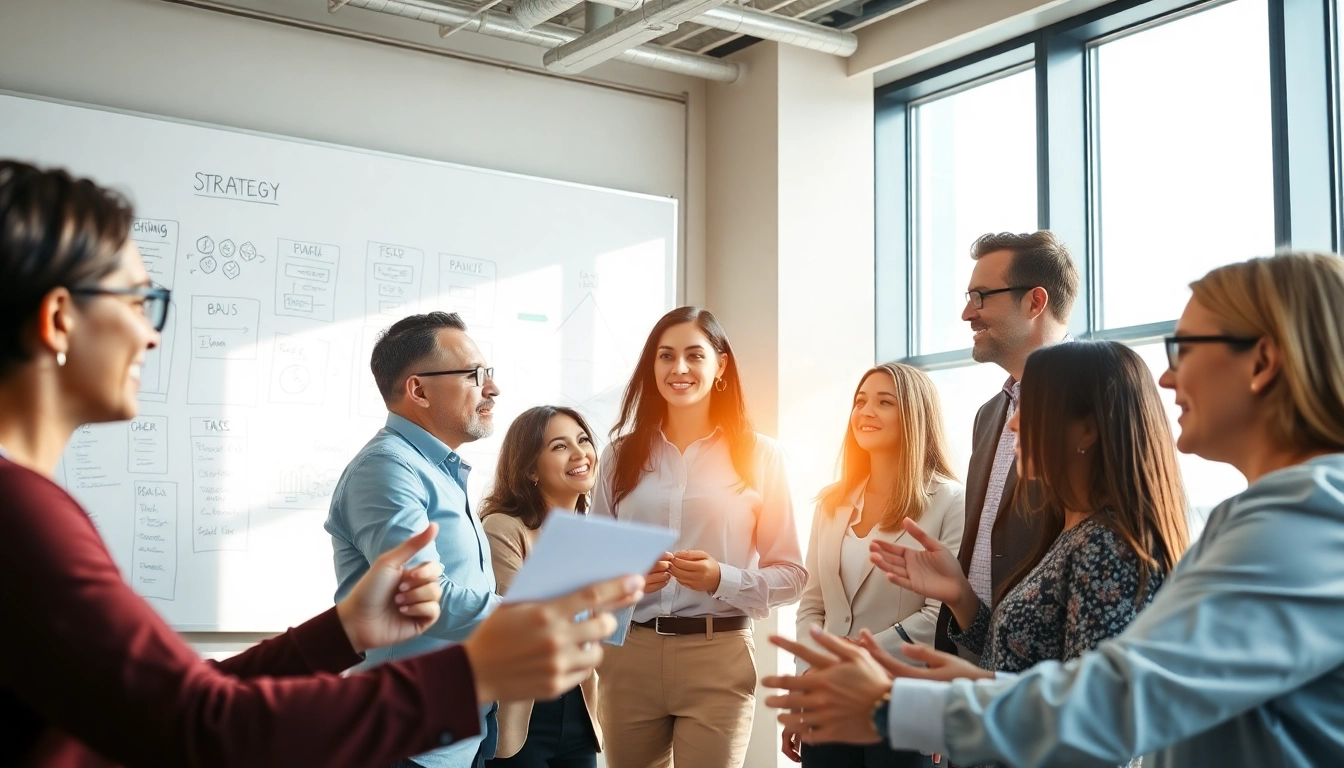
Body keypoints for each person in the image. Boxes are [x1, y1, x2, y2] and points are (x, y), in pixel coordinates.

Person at [0, 159, 643, 768]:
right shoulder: (20, 513)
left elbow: (171, 704)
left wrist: (342, 630)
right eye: (139, 302)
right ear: (59, 318)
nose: (152, 333)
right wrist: (473, 672)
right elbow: (198, 725)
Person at [762, 251, 1344, 767]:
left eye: (1184, 347)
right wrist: (974, 666)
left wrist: (899, 705)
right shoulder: (1273, 514)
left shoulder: (1305, 518)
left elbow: (1128, 698)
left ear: (1263, 362)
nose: (1167, 375)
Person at [592, 306, 807, 768]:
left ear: (721, 365)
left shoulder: (761, 455)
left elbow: (792, 575)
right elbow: (591, 570)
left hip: (719, 655)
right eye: (666, 356)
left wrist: (720, 579)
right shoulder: (619, 454)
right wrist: (627, 579)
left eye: (694, 355)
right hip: (630, 655)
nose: (679, 369)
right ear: (653, 368)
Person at [326, 310, 503, 768]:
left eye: (488, 373)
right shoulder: (386, 470)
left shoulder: (442, 473)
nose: (492, 388)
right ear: (418, 390)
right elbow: (427, 600)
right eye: (474, 375)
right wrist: (549, 612)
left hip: (463, 732)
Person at [783, 363, 964, 767]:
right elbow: (813, 606)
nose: (866, 411)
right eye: (860, 401)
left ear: (915, 416)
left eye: (885, 402)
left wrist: (854, 656)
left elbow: (939, 615)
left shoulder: (950, 501)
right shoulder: (832, 503)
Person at [944, 231, 1078, 660]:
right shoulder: (988, 416)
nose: (968, 313)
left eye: (981, 296)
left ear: (1035, 303)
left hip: (1047, 687)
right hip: (977, 660)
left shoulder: (1090, 409)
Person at [481, 406, 604, 768]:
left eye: (583, 440)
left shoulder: (591, 535)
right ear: (530, 469)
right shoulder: (502, 528)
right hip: (523, 717)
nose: (580, 453)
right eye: (560, 446)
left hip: (579, 710)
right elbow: (518, 624)